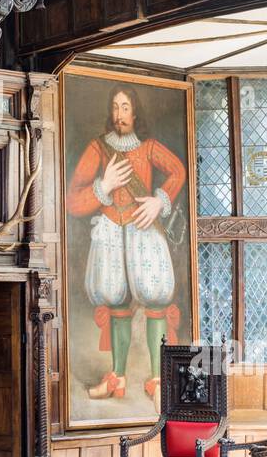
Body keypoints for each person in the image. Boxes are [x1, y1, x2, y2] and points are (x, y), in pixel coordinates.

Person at [66, 84, 186, 403]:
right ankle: (117, 378)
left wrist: (159, 202)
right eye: (116, 107)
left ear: (135, 112)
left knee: (155, 302)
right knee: (117, 303)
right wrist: (103, 185)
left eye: (126, 107)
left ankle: (158, 380)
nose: (120, 114)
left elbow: (177, 171)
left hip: (142, 229)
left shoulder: (147, 148)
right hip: (109, 232)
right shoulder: (98, 149)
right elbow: (72, 202)